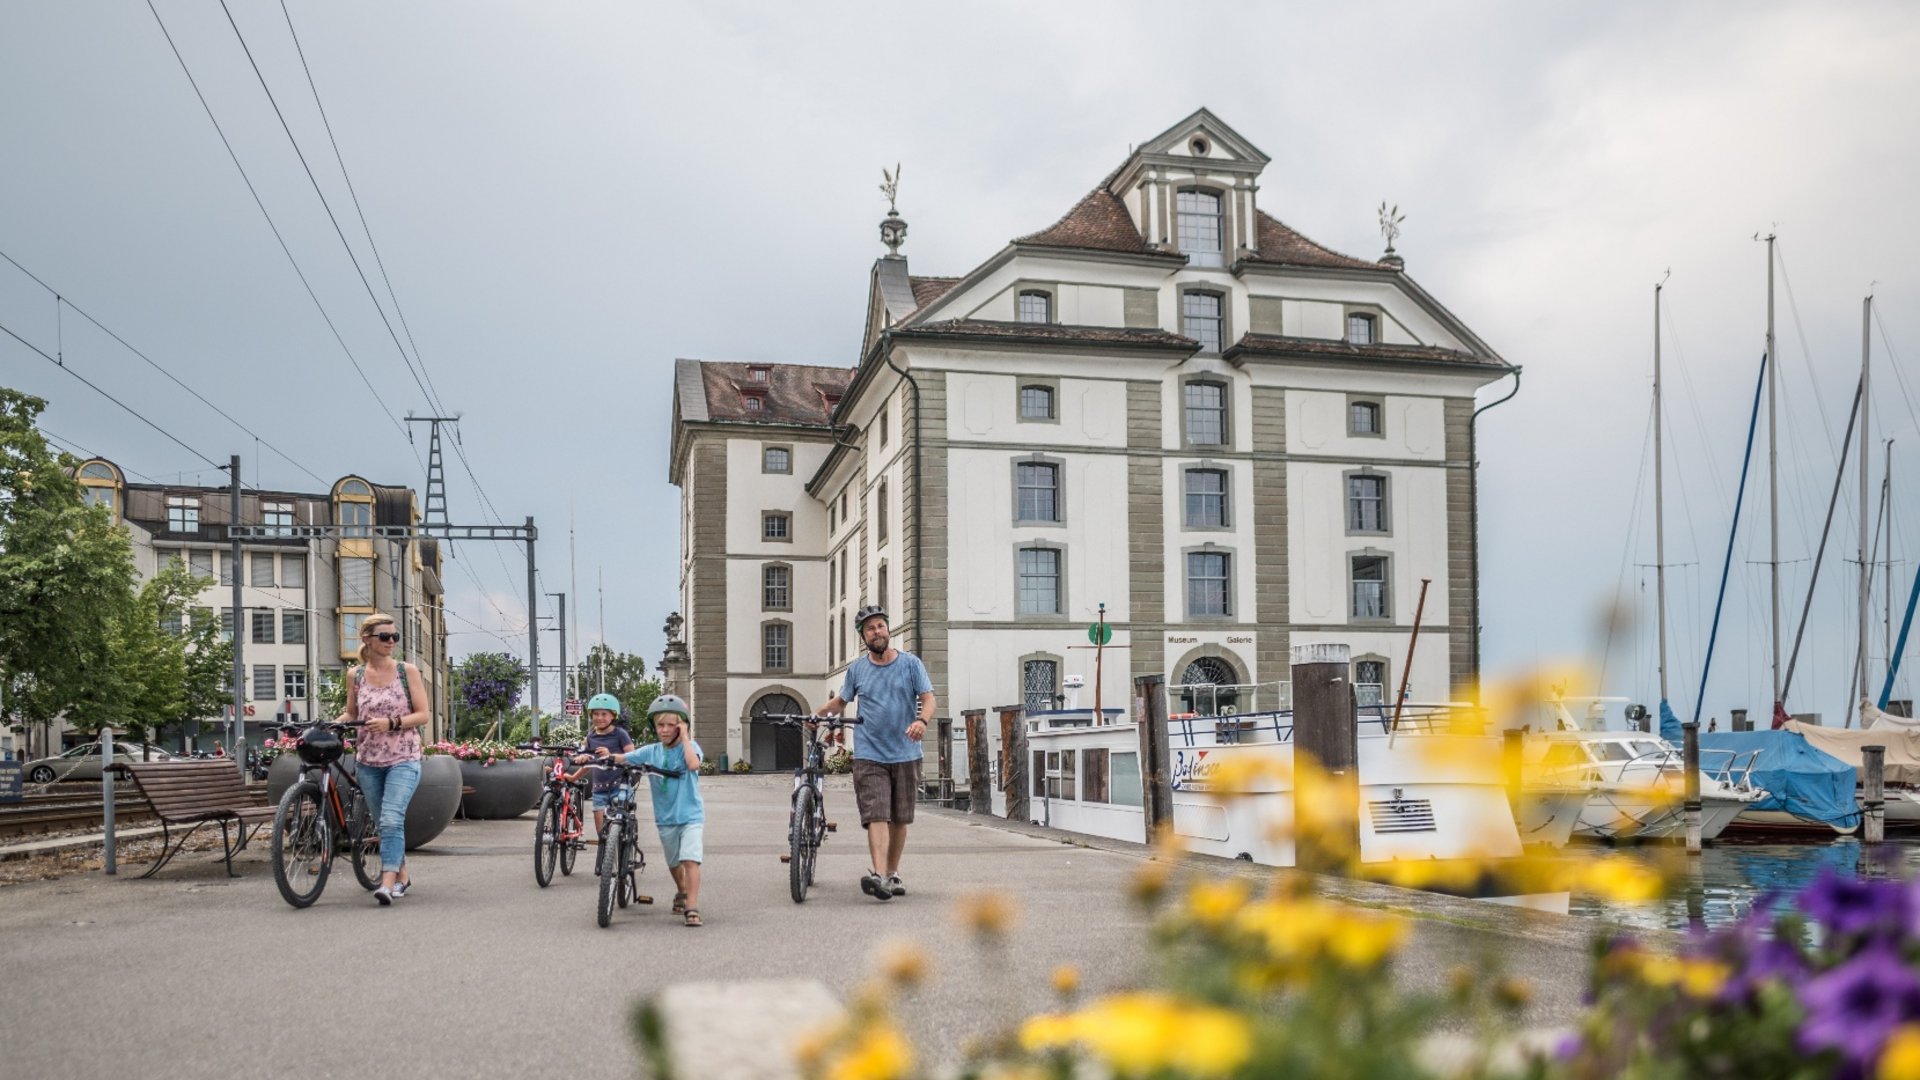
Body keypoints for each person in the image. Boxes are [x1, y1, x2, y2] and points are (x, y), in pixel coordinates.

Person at [814, 604, 934, 902]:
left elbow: (928, 698)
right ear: (863, 636)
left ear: (888, 629)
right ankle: (879, 876)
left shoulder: (910, 664)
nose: (877, 631)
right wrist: (817, 714)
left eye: (880, 625)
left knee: (900, 818)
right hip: (869, 753)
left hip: (906, 752)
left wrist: (921, 721)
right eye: (870, 628)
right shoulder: (857, 669)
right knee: (877, 813)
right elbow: (840, 702)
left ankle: (892, 873)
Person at [340, 612, 430, 906]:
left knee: (391, 818)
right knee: (384, 823)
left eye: (395, 636)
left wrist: (391, 723)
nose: (391, 641)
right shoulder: (355, 675)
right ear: (367, 638)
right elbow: (352, 714)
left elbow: (422, 714)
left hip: (403, 757)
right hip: (368, 760)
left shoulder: (407, 671)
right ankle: (403, 876)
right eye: (385, 636)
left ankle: (387, 882)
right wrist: (330, 725)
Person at [600, 695, 706, 927]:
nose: (665, 730)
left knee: (690, 859)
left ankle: (692, 907)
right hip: (665, 817)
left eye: (671, 725)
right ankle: (681, 890)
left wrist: (686, 737)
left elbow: (693, 765)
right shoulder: (652, 751)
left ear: (681, 725)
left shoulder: (691, 747)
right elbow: (624, 758)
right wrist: (604, 758)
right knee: (673, 861)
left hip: (690, 815)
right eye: (660, 725)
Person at [570, 693, 634, 843]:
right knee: (602, 834)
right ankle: (605, 862)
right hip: (599, 790)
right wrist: (582, 760)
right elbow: (589, 761)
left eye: (604, 714)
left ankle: (625, 849)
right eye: (596, 714)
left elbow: (632, 756)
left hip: (620, 787)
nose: (599, 717)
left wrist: (611, 755)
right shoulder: (591, 736)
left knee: (621, 823)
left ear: (613, 715)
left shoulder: (621, 734)